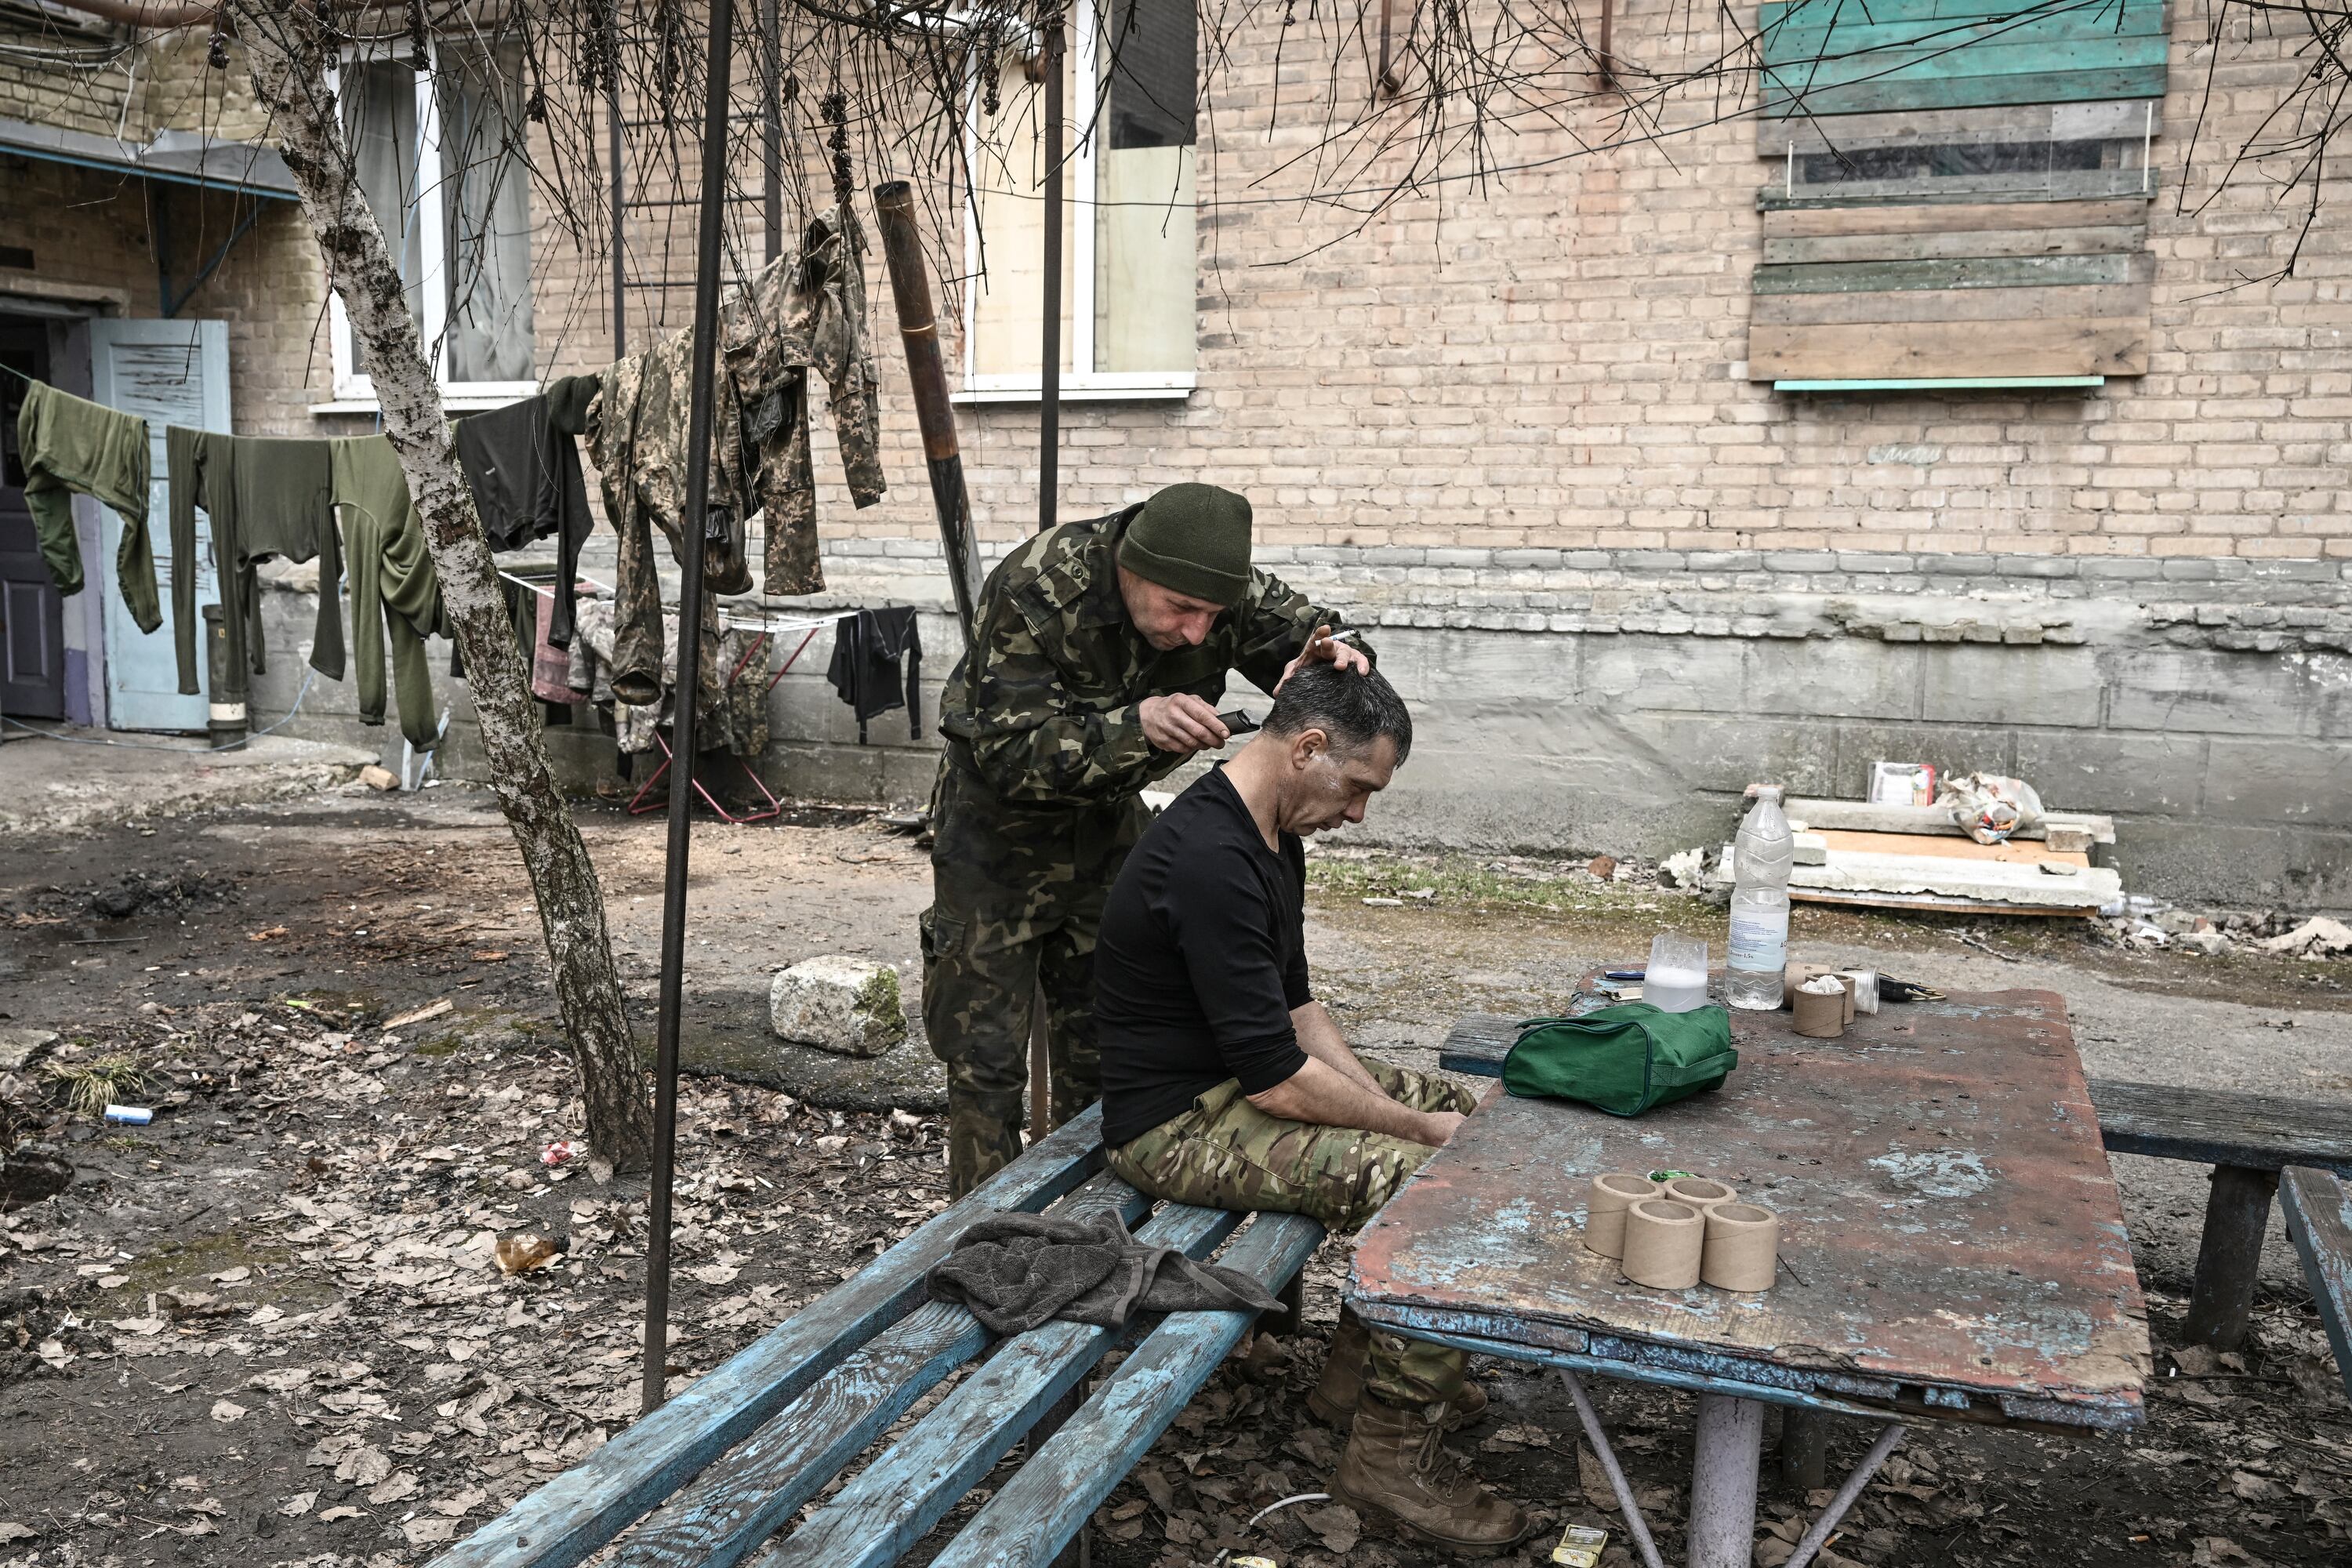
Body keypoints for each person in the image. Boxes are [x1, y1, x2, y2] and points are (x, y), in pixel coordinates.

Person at [1092, 664, 1534, 1555]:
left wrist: (1395, 1104)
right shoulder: (1212, 856)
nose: (1359, 812)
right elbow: (1275, 1080)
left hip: (1237, 1089)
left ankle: (1356, 1375)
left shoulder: (1269, 831)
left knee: (1471, 1118)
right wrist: (1404, 1129)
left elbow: (1298, 1010)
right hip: (1173, 1124)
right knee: (1426, 1185)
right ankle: (1388, 1459)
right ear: (1308, 747)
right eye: (1359, 786)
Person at [923, 481, 1371, 1197]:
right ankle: (982, 1235)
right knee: (985, 1060)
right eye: (1180, 610)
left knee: (1108, 1043)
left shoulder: (1223, 586)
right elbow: (1003, 754)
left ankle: (1092, 1219)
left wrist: (1328, 663)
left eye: (1212, 616)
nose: (1197, 632)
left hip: (1108, 830)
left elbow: (1334, 644)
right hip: (995, 839)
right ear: (1132, 568)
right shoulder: (1040, 586)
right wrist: (1135, 727)